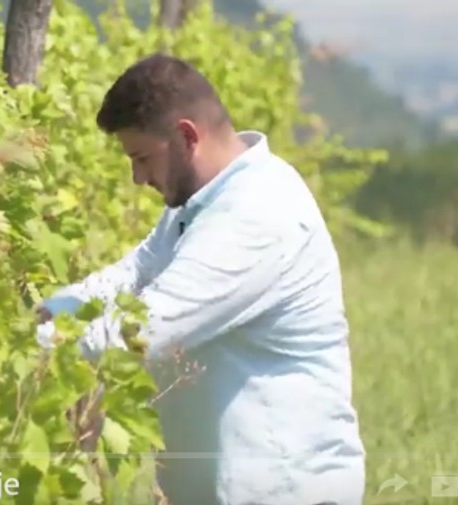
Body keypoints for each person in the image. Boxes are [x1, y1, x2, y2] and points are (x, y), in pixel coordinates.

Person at [34, 53, 367, 505]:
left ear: (187, 136)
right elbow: (131, 274)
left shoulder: (257, 215)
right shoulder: (201, 205)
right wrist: (51, 308)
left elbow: (140, 332)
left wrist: (22, 349)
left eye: (142, 158)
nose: (136, 178)